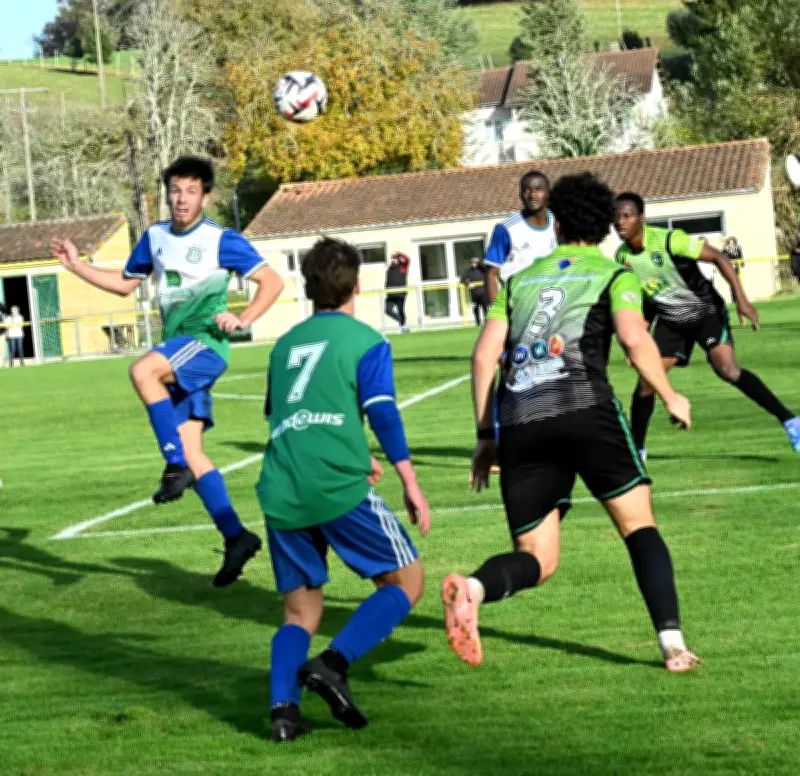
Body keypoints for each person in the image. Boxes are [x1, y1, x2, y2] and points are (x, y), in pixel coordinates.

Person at [441, 172, 701, 674]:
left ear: (555, 220)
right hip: (586, 412)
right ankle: (673, 645)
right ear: (605, 224)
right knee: (639, 527)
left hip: (521, 420)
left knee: (538, 559)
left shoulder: (518, 282)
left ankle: (472, 589)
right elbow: (633, 338)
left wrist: (483, 436)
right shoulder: (612, 273)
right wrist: (670, 394)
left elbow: (483, 358)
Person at [51, 156, 285, 586]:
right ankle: (236, 536)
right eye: (175, 190)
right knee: (194, 450)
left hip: (205, 345)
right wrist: (75, 265)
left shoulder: (221, 239)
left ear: (206, 196)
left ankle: (173, 466)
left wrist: (244, 318)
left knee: (143, 371)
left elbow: (272, 282)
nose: (181, 199)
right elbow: (125, 284)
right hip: (178, 351)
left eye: (191, 191)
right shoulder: (155, 236)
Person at [259, 237, 430, 742]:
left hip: (282, 484)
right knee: (406, 582)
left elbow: (282, 415)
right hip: (334, 484)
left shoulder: (284, 345)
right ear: (357, 285)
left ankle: (284, 712)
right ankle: (333, 664)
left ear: (308, 289)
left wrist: (359, 453)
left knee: (301, 611)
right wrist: (410, 480)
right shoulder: (365, 340)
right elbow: (381, 410)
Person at [614, 192, 800, 456]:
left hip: (705, 311)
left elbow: (720, 258)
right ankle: (637, 451)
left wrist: (741, 300)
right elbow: (647, 297)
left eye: (627, 215)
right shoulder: (622, 257)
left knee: (726, 368)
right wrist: (638, 336)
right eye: (617, 217)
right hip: (671, 319)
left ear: (641, 219)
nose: (620, 222)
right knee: (647, 380)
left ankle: (791, 421)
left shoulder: (670, 240)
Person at [484, 169, 557, 305]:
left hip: (553, 305)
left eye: (539, 189)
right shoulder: (505, 229)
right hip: (518, 306)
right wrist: (496, 314)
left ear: (548, 193)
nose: (533, 195)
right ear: (520, 195)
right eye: (527, 190)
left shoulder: (558, 223)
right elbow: (491, 274)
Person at [384, 251, 410, 332]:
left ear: (398, 259)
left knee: (400, 310)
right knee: (388, 310)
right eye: (392, 258)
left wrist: (399, 253)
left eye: (395, 258)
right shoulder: (390, 269)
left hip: (400, 294)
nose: (393, 260)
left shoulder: (403, 267)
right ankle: (403, 323)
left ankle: (403, 326)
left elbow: (407, 259)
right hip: (390, 294)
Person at [460, 257, 488, 326]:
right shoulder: (468, 271)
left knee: (485, 309)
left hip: (483, 294)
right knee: (475, 309)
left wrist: (479, 263)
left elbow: (487, 270)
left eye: (475, 262)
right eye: (472, 262)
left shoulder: (483, 270)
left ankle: (487, 324)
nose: (473, 263)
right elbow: (462, 280)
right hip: (474, 295)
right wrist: (468, 284)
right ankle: (477, 323)